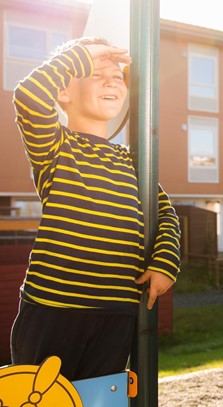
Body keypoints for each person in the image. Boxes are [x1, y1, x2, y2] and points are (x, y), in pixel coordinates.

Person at [10, 37, 181, 381]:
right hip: (54, 307)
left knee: (102, 398)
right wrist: (81, 56)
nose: (110, 81)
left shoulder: (134, 162)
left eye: (117, 76)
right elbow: (28, 97)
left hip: (116, 310)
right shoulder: (56, 146)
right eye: (95, 73)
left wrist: (164, 264)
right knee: (43, 400)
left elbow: (166, 215)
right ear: (63, 92)